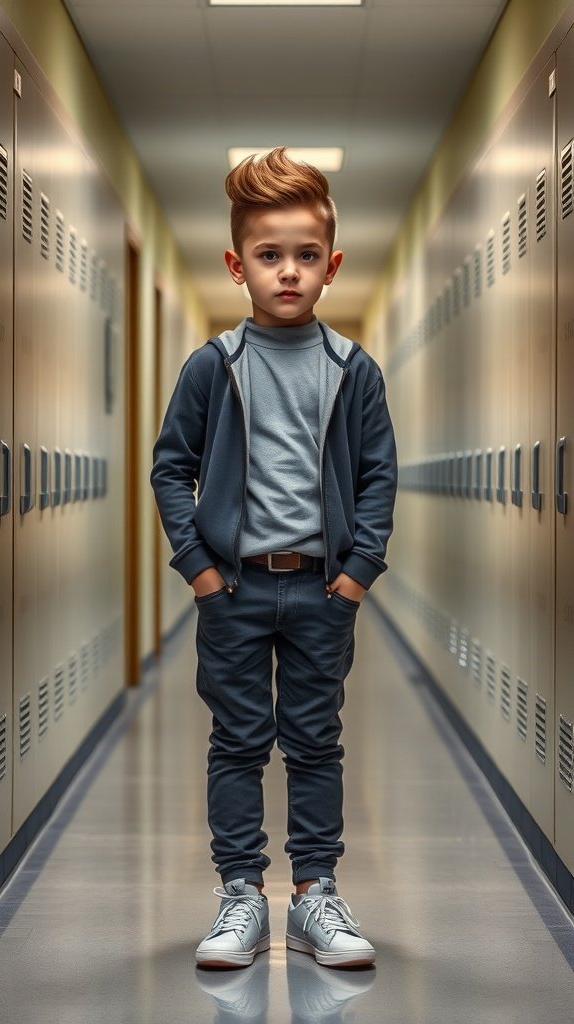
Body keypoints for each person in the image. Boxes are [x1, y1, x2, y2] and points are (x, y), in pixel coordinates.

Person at [151, 147, 397, 970]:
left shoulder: (353, 371)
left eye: (302, 257)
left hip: (323, 591)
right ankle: (240, 896)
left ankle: (316, 894)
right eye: (267, 256)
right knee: (237, 741)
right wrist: (203, 574)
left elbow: (378, 477)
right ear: (236, 265)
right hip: (236, 591)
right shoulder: (212, 368)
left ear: (330, 267)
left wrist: (357, 576)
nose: (285, 272)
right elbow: (170, 467)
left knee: (315, 742)